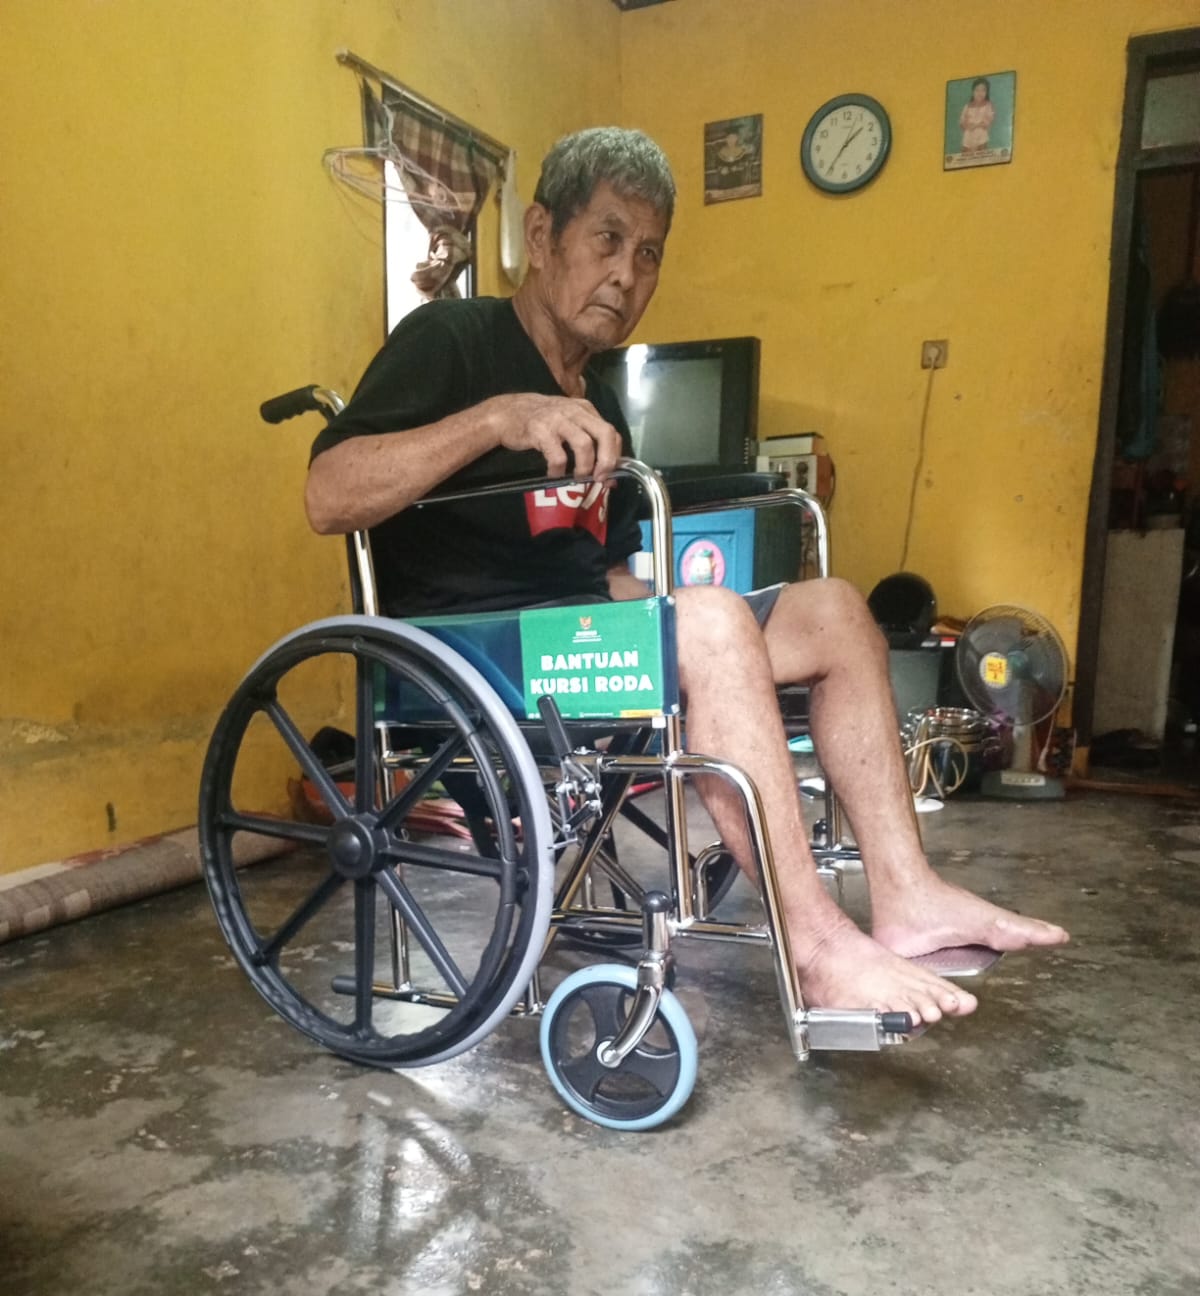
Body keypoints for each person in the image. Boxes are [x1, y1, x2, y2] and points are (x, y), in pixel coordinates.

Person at [305, 126, 1068, 1027]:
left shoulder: (600, 397)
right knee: (708, 625)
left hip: (576, 637)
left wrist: (713, 621)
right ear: (542, 235)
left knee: (831, 611)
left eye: (649, 253)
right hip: (466, 652)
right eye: (608, 238)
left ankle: (909, 896)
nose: (627, 274)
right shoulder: (454, 338)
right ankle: (817, 947)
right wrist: (497, 418)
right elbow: (328, 493)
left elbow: (608, 577)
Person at [959, 79, 995, 157]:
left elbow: (990, 118)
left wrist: (979, 125)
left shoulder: (988, 105)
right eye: (977, 90)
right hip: (968, 134)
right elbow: (962, 120)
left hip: (981, 134)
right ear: (973, 91)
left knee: (981, 154)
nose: (980, 93)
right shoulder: (967, 106)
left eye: (983, 90)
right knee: (966, 156)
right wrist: (967, 125)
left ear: (987, 92)